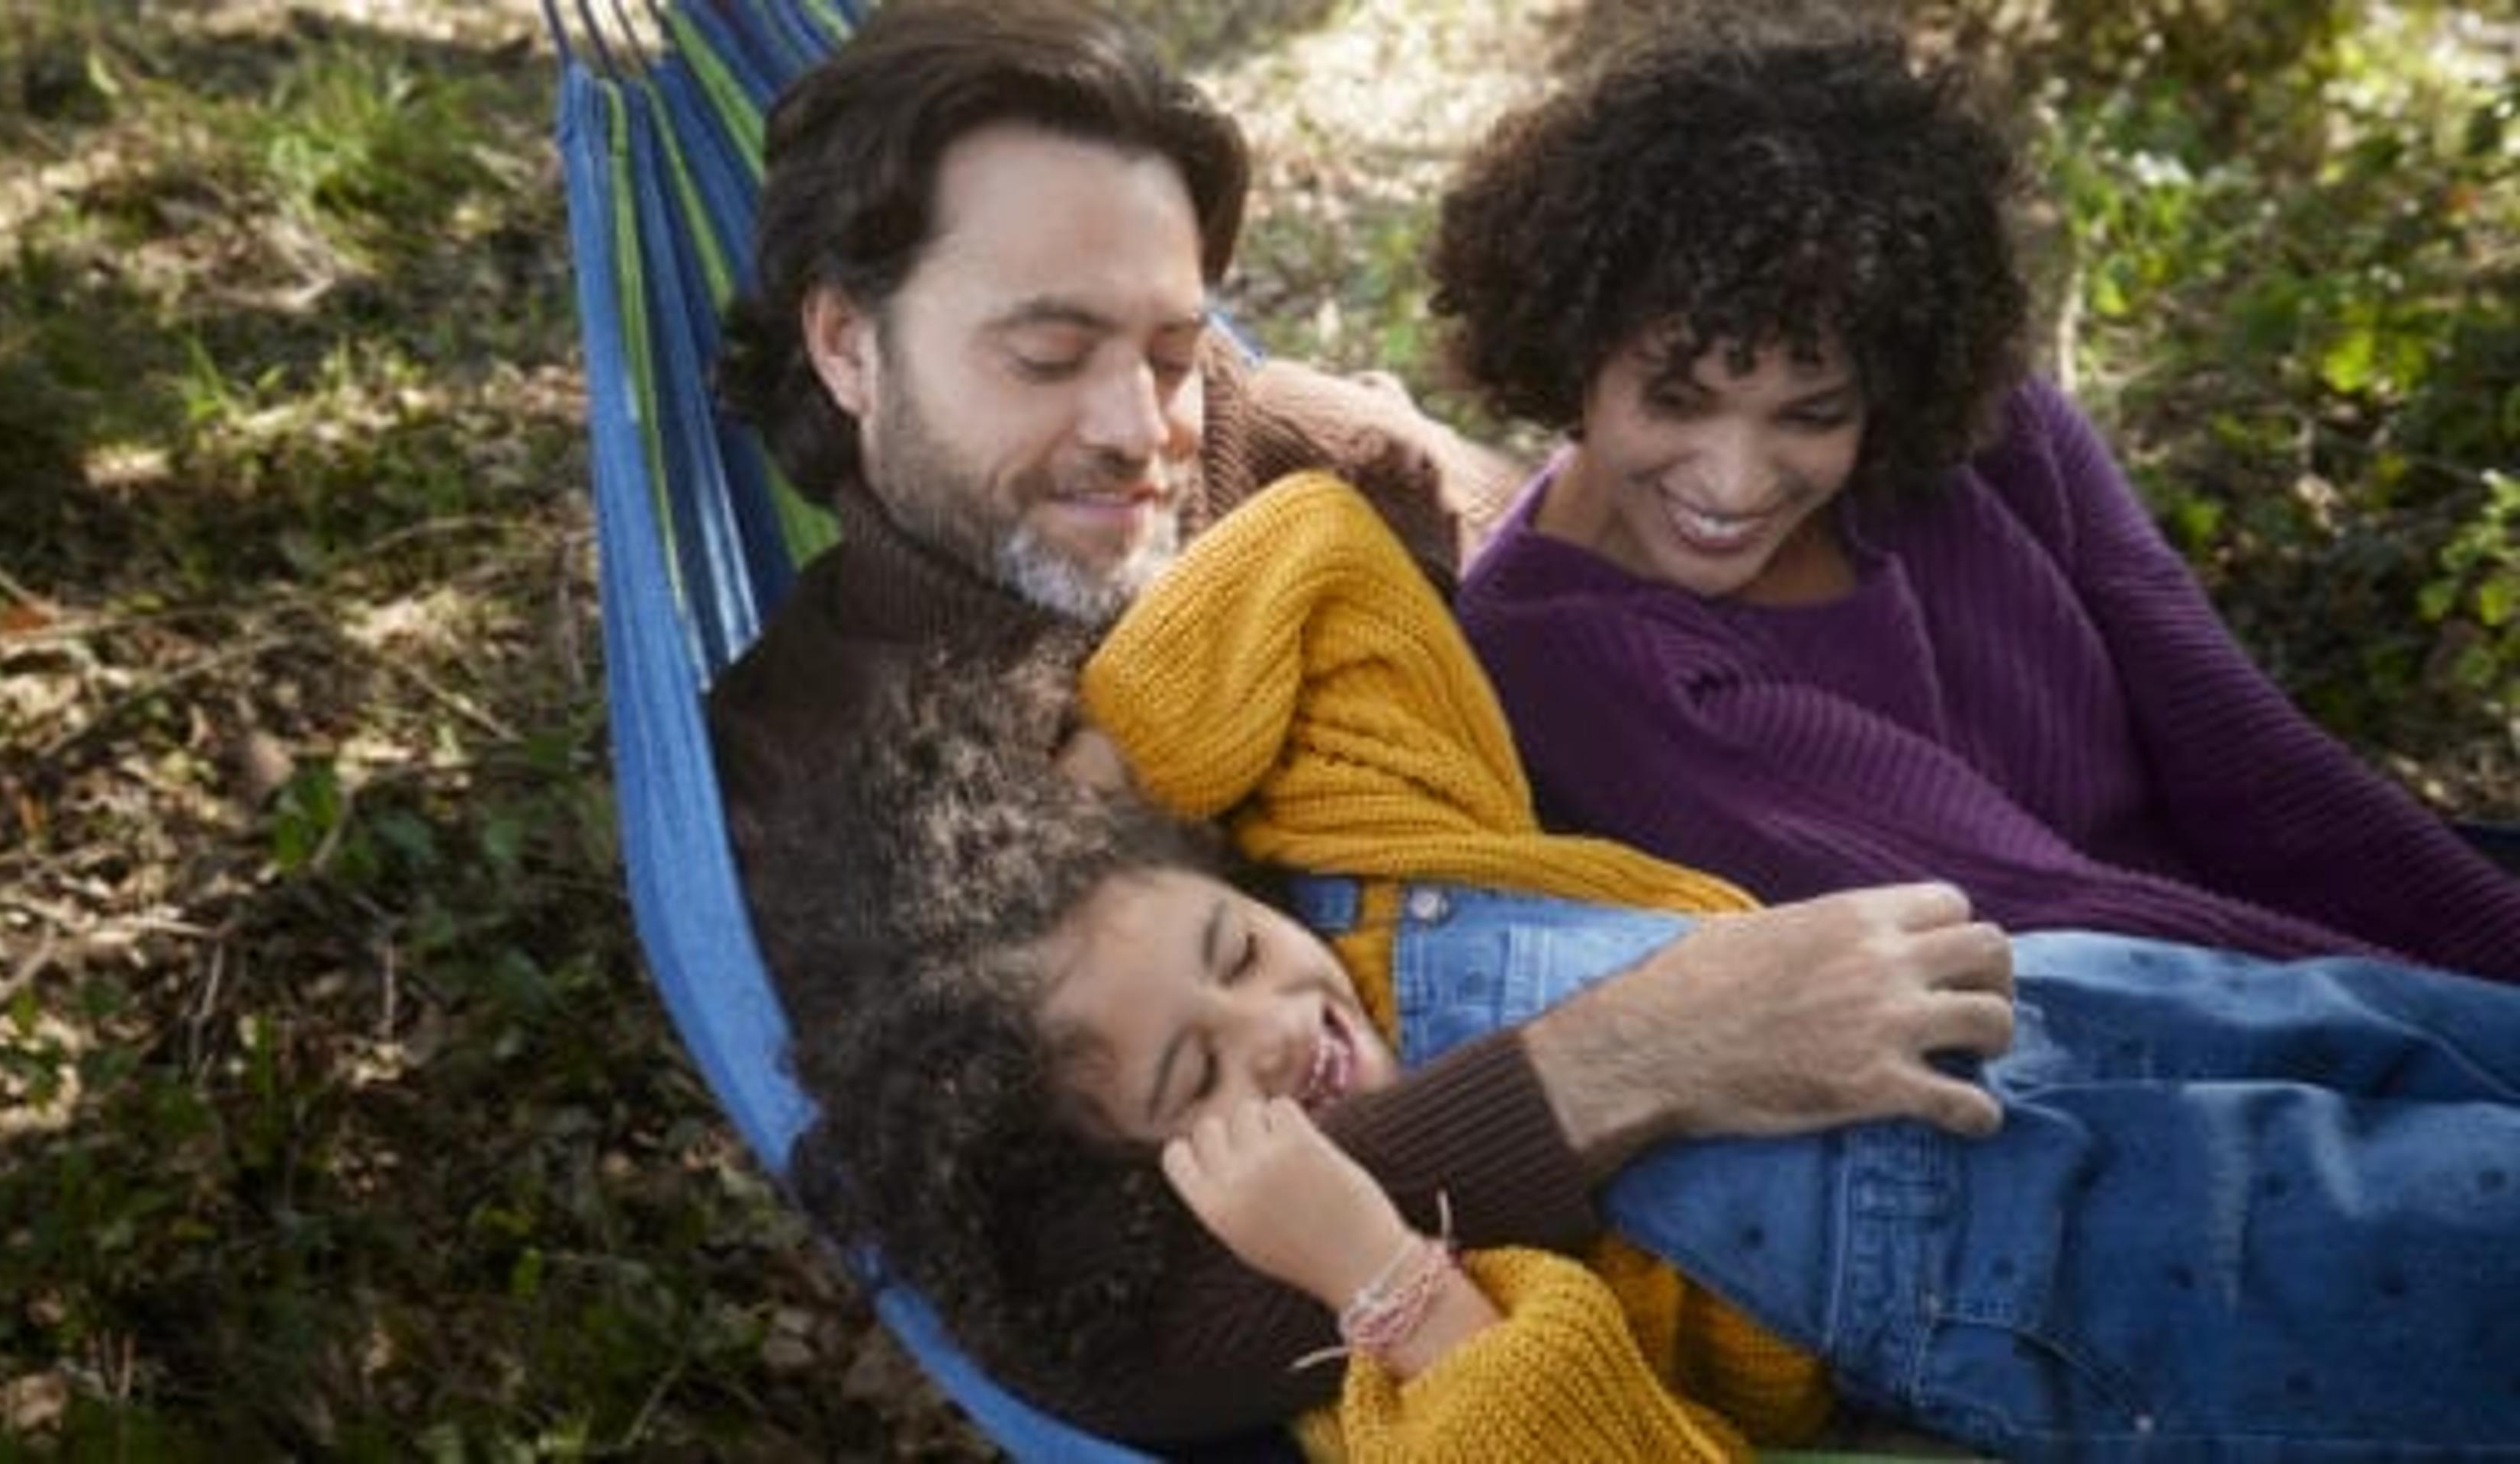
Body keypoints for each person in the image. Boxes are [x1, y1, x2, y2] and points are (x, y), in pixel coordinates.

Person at [702, 0, 2021, 1440]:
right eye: (1047, 352)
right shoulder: (820, 765)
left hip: (1908, 1001)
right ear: (846, 341)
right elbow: (1120, 1339)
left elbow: (1581, 545)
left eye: (1166, 344)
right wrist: (1639, 1057)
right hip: (1666, 1318)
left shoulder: (1261, 443)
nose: (1143, 430)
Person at [791, 470, 2520, 1459]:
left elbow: (1319, 550)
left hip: (2090, 994)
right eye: (1195, 1076)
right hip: (2069, 1266)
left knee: (2467, 1046)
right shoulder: (1357, 1329)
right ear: (1158, 1189)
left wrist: (1104, 778)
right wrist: (1388, 1273)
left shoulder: (1369, 847)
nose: (1278, 1025)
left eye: (1233, 950)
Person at [1430, 21, 2520, 981]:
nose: (1734, 480)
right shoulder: (1565, 658)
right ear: (1571, 350)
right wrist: (2473, 1029)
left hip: (2299, 961)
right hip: (2127, 1058)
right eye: (1677, 400)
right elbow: (2053, 924)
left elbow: (2253, 760)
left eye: (1812, 415)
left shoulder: (1994, 441)